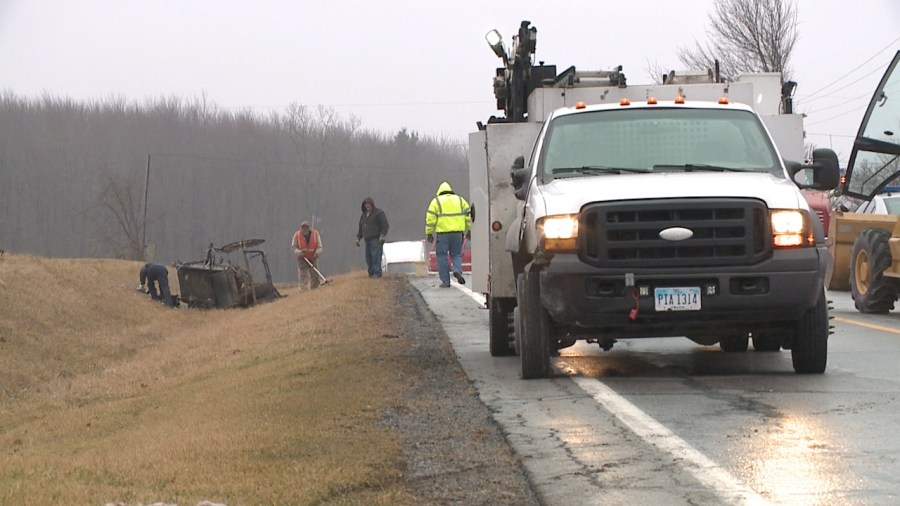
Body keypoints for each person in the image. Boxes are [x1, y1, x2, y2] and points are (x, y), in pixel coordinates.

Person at [425, 181, 471, 288]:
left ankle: (445, 281)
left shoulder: (436, 202)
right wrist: (469, 230)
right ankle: (457, 270)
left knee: (442, 256)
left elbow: (430, 219)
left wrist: (429, 233)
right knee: (456, 254)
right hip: (457, 233)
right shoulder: (460, 200)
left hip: (442, 234)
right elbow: (468, 216)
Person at [356, 197, 389, 278]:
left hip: (376, 239)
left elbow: (385, 225)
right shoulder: (363, 215)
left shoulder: (379, 213)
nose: (367, 206)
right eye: (365, 204)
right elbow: (361, 227)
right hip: (367, 239)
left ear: (372, 204)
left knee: (376, 256)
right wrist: (358, 238)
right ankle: (371, 273)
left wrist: (382, 235)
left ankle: (377, 273)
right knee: (368, 257)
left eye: (368, 204)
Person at [292, 220, 323, 291]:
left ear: (309, 228)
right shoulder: (297, 235)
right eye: (303, 227)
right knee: (303, 276)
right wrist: (299, 253)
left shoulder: (315, 234)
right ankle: (303, 291)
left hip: (313, 257)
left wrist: (316, 254)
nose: (304, 229)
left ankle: (315, 290)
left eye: (306, 227)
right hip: (302, 258)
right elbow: (294, 247)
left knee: (315, 275)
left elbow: (320, 246)